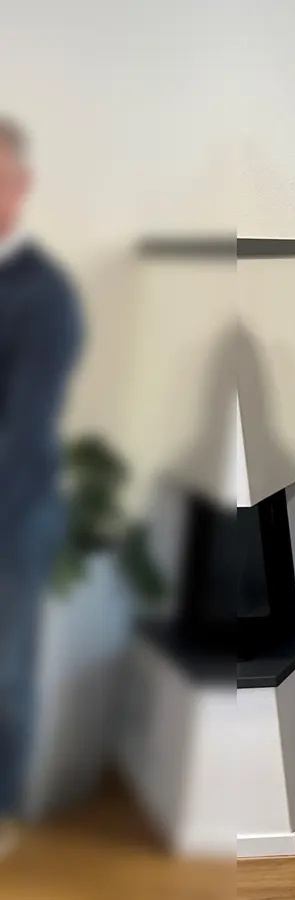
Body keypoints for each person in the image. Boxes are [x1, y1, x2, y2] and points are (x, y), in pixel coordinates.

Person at [0, 116, 83, 859]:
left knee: (7, 669)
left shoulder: (43, 293)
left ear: (19, 187)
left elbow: (25, 428)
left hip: (15, 512)